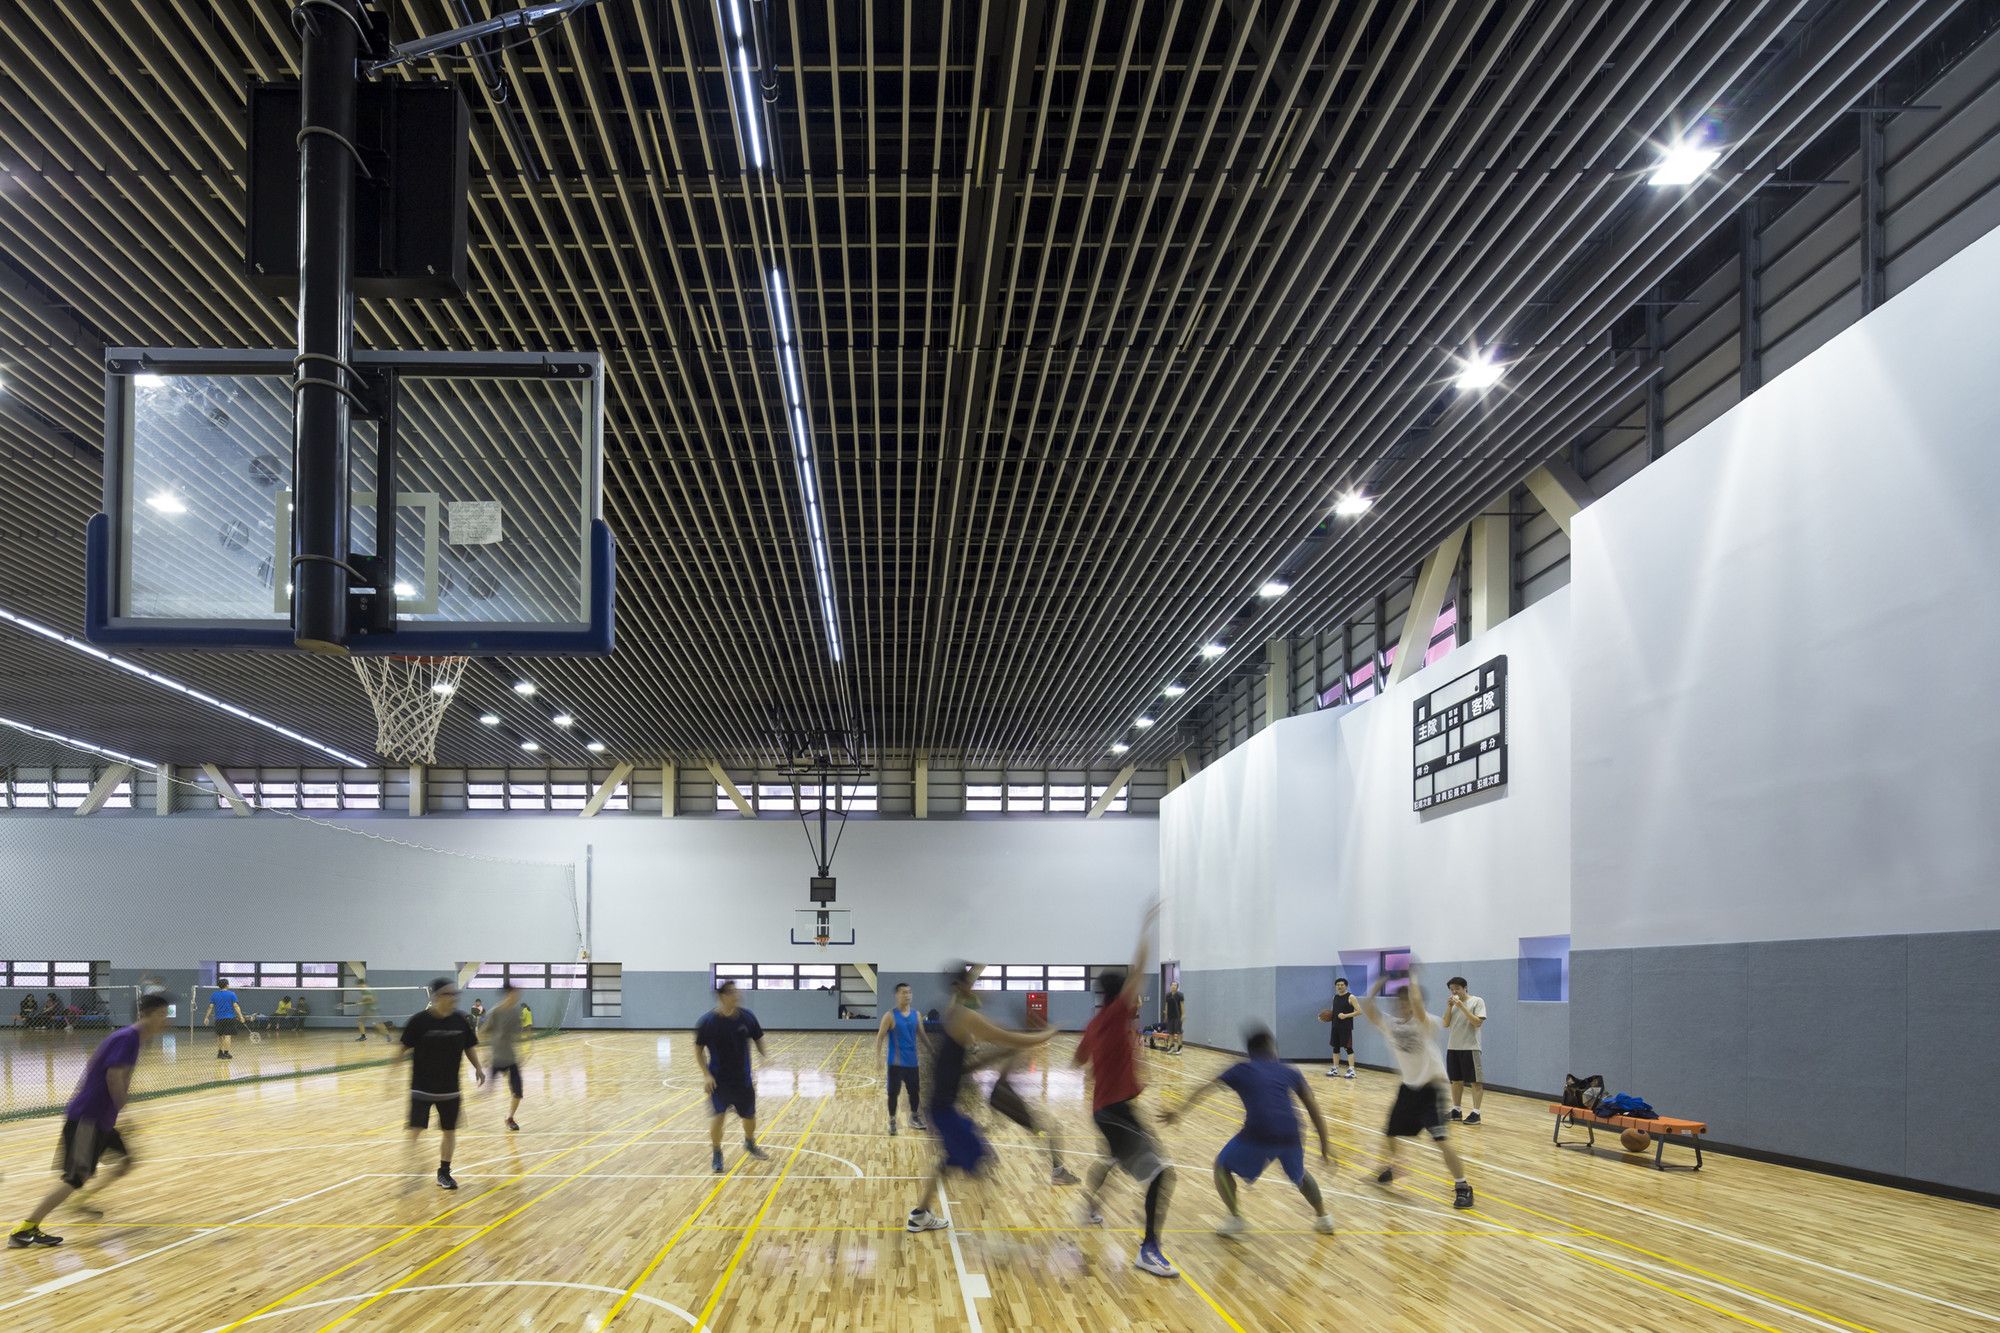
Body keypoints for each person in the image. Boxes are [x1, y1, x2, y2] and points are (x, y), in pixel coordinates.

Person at [8, 993, 174, 1249]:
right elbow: (113, 1077)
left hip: (101, 1119)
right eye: (162, 1014)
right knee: (74, 1177)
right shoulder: (128, 1038)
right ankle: (26, 1228)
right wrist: (125, 1112)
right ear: (146, 1014)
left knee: (126, 1161)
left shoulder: (134, 1039)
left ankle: (80, 1200)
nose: (166, 1020)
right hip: (89, 1117)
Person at [905, 963, 1057, 1234]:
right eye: (971, 983)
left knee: (951, 1160)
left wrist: (1000, 1053)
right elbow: (1007, 1037)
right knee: (982, 1159)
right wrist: (1045, 1035)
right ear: (960, 987)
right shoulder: (964, 1017)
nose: (974, 988)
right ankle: (994, 1229)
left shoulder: (953, 1013)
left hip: (942, 1107)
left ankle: (920, 1214)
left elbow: (968, 1065)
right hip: (942, 1110)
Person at [1074, 904, 1178, 1279]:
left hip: (1109, 1110)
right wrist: (1146, 928)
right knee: (1162, 1174)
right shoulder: (1118, 1013)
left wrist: (1099, 1067)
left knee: (1111, 1159)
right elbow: (1139, 968)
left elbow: (1077, 1060)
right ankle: (1148, 1250)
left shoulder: (1095, 1023)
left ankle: (1088, 1206)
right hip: (1115, 1111)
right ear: (1122, 994)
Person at [1163, 1027, 1335, 1236]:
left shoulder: (1242, 1069)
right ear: (1273, 1049)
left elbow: (1205, 1089)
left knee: (1221, 1167)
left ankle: (1236, 1219)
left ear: (1250, 1052)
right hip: (1292, 1133)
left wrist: (1179, 1112)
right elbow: (1313, 1107)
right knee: (1300, 1175)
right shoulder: (1288, 1070)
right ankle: (1324, 1218)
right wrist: (1325, 1145)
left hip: (1259, 1131)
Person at [1356, 966, 1473, 1208]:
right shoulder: (1391, 1024)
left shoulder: (1426, 1022)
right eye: (1399, 1002)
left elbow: (1418, 1003)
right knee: (1390, 1133)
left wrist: (1412, 976)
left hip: (1431, 1091)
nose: (1403, 1006)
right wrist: (1382, 979)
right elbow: (1367, 1005)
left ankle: (1463, 1186)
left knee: (1441, 1140)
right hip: (1408, 1089)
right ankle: (1394, 1166)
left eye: (1407, 1001)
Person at [394, 978, 484, 1190]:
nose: (453, 998)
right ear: (436, 997)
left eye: (455, 994)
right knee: (415, 1129)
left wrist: (478, 1068)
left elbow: (469, 1046)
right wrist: (392, 1075)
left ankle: (444, 1172)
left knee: (449, 1131)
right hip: (421, 1088)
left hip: (450, 1089)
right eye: (448, 994)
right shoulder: (419, 1021)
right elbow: (402, 1048)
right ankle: (413, 1165)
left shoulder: (461, 1020)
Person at [693, 981, 769, 1174]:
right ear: (722, 996)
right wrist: (706, 1075)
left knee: (749, 1117)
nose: (738, 995)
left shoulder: (747, 1017)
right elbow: (698, 1050)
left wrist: (765, 1058)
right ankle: (717, 1152)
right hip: (719, 1081)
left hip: (743, 1080)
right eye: (733, 992)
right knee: (718, 1117)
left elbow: (758, 1038)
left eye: (737, 991)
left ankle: (749, 1142)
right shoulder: (708, 1022)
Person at [874, 983, 925, 1134]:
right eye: (904, 992)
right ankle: (892, 1121)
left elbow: (922, 1035)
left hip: (912, 1062)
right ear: (897, 995)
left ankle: (914, 1117)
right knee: (893, 1094)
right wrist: (878, 1058)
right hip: (895, 1063)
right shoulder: (890, 1015)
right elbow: (880, 1037)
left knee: (914, 1092)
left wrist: (932, 1050)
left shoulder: (916, 1014)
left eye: (909, 992)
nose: (907, 995)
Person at [480, 983, 527, 1132]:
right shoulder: (495, 1012)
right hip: (497, 1058)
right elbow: (482, 1032)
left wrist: (520, 1052)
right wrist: (485, 1054)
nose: (518, 996)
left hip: (511, 1058)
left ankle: (509, 1118)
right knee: (488, 1090)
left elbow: (516, 1035)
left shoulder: (516, 1012)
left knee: (518, 1092)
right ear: (509, 994)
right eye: (515, 993)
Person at [1444, 976, 1487, 1124]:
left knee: (1475, 1081)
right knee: (1455, 1081)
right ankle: (1456, 1110)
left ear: (1465, 988)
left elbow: (1477, 1022)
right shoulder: (1453, 1004)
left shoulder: (1477, 1001)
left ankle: (1476, 1113)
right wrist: (1449, 1007)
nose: (1454, 992)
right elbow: (1445, 1023)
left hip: (1470, 1047)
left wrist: (1462, 1006)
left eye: (1457, 988)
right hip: (1453, 1047)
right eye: (1452, 989)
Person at [1322, 976, 1360, 1078]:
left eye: (1342, 985)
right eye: (1338, 985)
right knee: (1336, 1047)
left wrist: (1345, 1015)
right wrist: (1325, 1018)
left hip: (1346, 1027)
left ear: (1346, 986)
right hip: (1335, 1026)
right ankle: (1335, 1069)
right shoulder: (1335, 997)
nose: (1339, 986)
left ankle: (1352, 1070)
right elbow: (1333, 1012)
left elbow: (1359, 1011)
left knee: (1348, 1048)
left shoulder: (1351, 997)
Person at [205, 980, 245, 1059]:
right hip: (229, 1018)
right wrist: (241, 1016)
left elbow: (210, 1006)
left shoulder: (214, 994)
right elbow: (236, 1006)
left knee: (220, 1036)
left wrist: (206, 1017)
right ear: (227, 985)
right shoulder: (232, 994)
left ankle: (220, 1053)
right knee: (227, 1036)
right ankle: (226, 1053)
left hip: (218, 1019)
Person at [1162, 981, 1186, 1055]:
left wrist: (1183, 1015)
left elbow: (1182, 1005)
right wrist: (1166, 1015)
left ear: (1177, 987)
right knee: (1171, 1033)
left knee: (1179, 1032)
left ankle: (1180, 1047)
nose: (1173, 986)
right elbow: (1166, 1005)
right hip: (1170, 1017)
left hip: (1178, 1016)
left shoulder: (1180, 995)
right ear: (1170, 986)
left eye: (1175, 985)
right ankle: (1172, 1047)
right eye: (1172, 985)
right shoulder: (1168, 995)